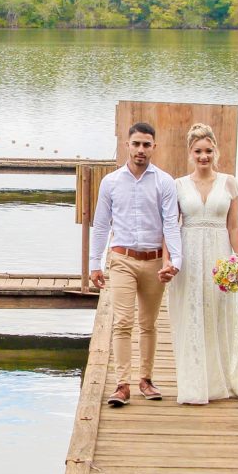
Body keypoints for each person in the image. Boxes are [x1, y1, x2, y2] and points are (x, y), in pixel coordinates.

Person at [89, 122, 182, 407]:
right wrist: (94, 263)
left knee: (148, 323)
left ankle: (146, 379)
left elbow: (170, 223)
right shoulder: (111, 182)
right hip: (122, 259)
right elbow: (101, 224)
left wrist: (175, 260)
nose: (141, 149)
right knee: (122, 321)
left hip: (154, 261)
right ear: (127, 146)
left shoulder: (164, 182)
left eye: (146, 144)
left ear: (154, 147)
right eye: (136, 144)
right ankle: (122, 385)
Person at [169, 122, 238, 403]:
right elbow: (172, 226)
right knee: (192, 313)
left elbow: (234, 226)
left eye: (208, 150)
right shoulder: (179, 186)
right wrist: (171, 260)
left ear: (215, 152)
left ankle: (221, 377)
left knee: (218, 313)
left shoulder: (229, 183)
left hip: (219, 254)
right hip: (190, 253)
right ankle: (194, 381)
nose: (204, 156)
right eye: (198, 151)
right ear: (190, 153)